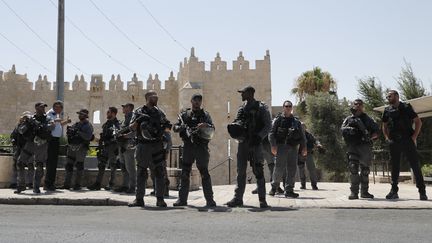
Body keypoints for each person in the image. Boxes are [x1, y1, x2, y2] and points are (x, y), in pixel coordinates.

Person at [226, 85, 272, 208]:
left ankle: (262, 200)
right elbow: (238, 122)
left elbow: (268, 125)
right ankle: (238, 199)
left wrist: (259, 136)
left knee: (258, 171)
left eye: (243, 93)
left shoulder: (261, 107)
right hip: (243, 144)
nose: (241, 95)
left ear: (250, 93)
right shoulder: (241, 109)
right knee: (240, 171)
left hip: (256, 144)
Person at [128, 90, 172, 208]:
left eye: (157, 97)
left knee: (159, 172)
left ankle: (160, 199)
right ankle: (139, 199)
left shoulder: (159, 112)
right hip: (143, 146)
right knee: (141, 172)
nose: (156, 98)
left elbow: (168, 128)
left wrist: (163, 129)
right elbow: (131, 128)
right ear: (147, 98)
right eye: (153, 97)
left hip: (157, 145)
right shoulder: (138, 111)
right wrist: (139, 120)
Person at [382, 90, 428, 200]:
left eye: (390, 96)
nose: (388, 98)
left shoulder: (406, 107)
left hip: (407, 140)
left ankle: (422, 192)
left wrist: (414, 137)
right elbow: (384, 125)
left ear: (397, 96)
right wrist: (387, 138)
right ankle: (394, 191)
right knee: (395, 167)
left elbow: (418, 121)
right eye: (387, 96)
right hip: (394, 141)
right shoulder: (387, 110)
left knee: (415, 166)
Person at [173, 93, 217, 207]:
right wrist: (181, 127)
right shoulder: (184, 115)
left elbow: (212, 128)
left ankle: (210, 200)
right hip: (188, 146)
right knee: (185, 173)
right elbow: (175, 127)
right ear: (191, 101)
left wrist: (205, 125)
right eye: (195, 100)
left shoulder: (205, 115)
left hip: (201, 146)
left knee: (204, 173)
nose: (197, 102)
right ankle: (182, 199)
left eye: (199, 100)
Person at [341, 99, 379, 200]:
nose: (357, 106)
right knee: (353, 168)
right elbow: (342, 130)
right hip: (352, 146)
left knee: (365, 170)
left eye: (360, 104)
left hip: (365, 146)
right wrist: (350, 131)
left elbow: (376, 130)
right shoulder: (349, 119)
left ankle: (365, 192)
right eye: (355, 104)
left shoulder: (368, 119)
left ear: (363, 106)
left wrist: (372, 136)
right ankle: (354, 192)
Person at [268, 100, 307, 198]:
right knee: (278, 169)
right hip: (281, 147)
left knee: (292, 169)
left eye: (290, 106)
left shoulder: (296, 121)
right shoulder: (278, 120)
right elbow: (271, 133)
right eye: (286, 106)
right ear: (283, 107)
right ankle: (274, 188)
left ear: (292, 108)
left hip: (293, 148)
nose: (288, 108)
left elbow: (302, 136)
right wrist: (273, 145)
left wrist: (304, 147)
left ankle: (289, 190)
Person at [15, 102, 54, 193]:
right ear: (36, 108)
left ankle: (36, 187)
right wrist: (25, 123)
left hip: (42, 143)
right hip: (31, 143)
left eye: (44, 107)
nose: (43, 109)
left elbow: (51, 127)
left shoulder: (48, 119)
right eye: (41, 107)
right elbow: (21, 130)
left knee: (39, 165)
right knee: (20, 162)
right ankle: (21, 185)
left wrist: (39, 125)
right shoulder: (30, 118)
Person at [87, 107, 120, 191]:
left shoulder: (116, 124)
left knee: (113, 166)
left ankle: (112, 184)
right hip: (105, 147)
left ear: (113, 113)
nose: (107, 114)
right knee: (101, 165)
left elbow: (116, 136)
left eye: (108, 112)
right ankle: (97, 184)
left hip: (112, 147)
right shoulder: (107, 124)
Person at [62, 109, 93, 190]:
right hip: (72, 147)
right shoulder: (76, 124)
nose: (80, 115)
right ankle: (67, 184)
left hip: (81, 147)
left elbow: (88, 137)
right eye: (79, 114)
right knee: (69, 165)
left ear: (85, 116)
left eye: (82, 114)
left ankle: (77, 184)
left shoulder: (88, 126)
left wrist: (78, 132)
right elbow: (71, 133)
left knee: (79, 165)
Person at [45, 100, 71, 191]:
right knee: (51, 163)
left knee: (53, 163)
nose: (60, 110)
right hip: (51, 140)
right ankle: (48, 184)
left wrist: (66, 122)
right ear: (55, 107)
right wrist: (56, 120)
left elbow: (58, 124)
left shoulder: (56, 114)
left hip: (55, 140)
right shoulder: (50, 114)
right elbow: (48, 123)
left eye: (60, 108)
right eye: (58, 108)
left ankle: (50, 183)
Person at [114, 103, 137, 194]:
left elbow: (134, 131)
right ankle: (125, 185)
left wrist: (124, 136)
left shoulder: (133, 118)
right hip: (122, 144)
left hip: (129, 144)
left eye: (125, 107)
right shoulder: (126, 119)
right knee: (123, 166)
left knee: (130, 167)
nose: (123, 108)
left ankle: (132, 186)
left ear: (129, 108)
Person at [9, 111, 32, 189]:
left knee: (30, 165)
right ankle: (14, 182)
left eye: (27, 118)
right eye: (24, 117)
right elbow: (13, 135)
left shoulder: (31, 126)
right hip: (19, 148)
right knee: (16, 165)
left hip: (28, 149)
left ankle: (30, 183)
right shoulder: (18, 126)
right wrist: (13, 140)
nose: (25, 119)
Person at [297, 123, 322, 190]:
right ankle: (303, 184)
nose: (302, 128)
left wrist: (319, 145)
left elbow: (315, 140)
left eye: (303, 127)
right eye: (301, 127)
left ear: (305, 127)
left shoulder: (308, 135)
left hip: (308, 153)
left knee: (311, 169)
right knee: (301, 169)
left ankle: (314, 185)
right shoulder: (297, 134)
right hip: (300, 154)